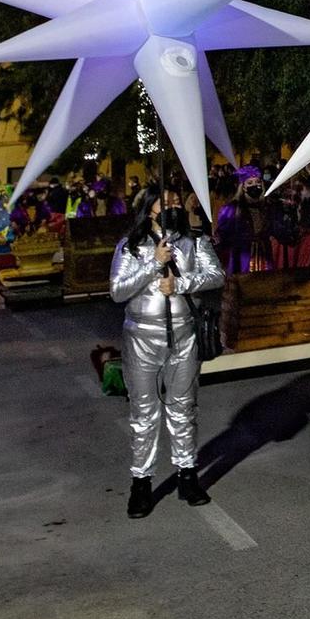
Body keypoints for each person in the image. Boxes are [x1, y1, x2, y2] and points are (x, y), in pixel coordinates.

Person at [109, 184, 224, 518]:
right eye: (166, 201)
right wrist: (152, 265)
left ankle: (187, 476)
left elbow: (217, 276)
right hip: (142, 337)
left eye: (176, 200)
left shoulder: (194, 241)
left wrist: (183, 283)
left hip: (184, 335)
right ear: (150, 208)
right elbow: (117, 291)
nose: (173, 205)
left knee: (183, 408)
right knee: (144, 415)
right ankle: (141, 484)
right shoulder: (130, 246)